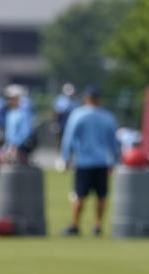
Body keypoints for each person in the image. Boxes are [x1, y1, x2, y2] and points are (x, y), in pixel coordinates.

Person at [59, 85, 120, 237]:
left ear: (86, 99)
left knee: (79, 195)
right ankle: (98, 226)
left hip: (84, 161)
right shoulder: (108, 117)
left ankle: (74, 225)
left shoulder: (78, 115)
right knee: (101, 196)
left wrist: (65, 158)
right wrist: (115, 161)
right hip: (102, 161)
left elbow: (69, 139)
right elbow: (114, 142)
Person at [1, 84, 35, 165]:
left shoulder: (24, 113)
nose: (9, 101)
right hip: (10, 147)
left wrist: (15, 146)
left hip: (21, 148)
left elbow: (25, 132)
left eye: (11, 98)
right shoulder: (10, 113)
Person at [52, 83, 78, 148]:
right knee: (61, 140)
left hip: (72, 125)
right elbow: (57, 112)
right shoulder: (60, 100)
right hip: (62, 125)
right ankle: (60, 154)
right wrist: (55, 123)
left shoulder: (76, 101)